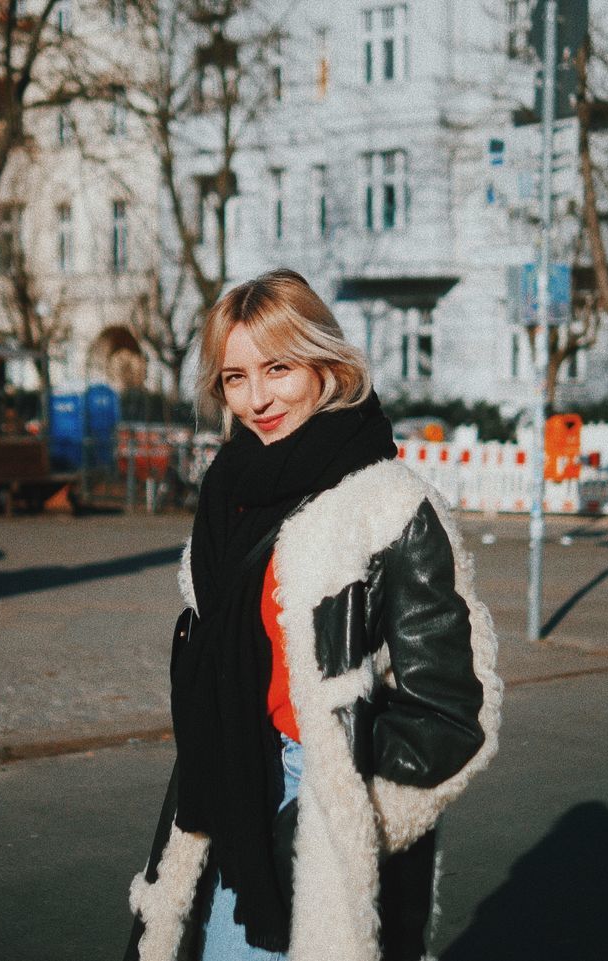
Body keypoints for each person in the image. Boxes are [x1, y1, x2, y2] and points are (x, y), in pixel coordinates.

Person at [124, 270, 502, 961]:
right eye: (235, 377)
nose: (257, 397)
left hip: (317, 789)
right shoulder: (228, 494)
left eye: (278, 368)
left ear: (326, 364)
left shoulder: (388, 503)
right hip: (224, 788)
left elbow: (453, 713)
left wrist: (334, 814)